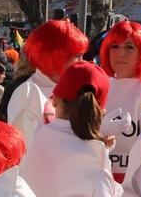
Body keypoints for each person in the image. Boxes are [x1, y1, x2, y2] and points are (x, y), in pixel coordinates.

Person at [19, 61, 122, 197]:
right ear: (101, 109)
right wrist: (115, 193)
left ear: (55, 100)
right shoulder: (96, 159)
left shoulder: (30, 139)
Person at [6, 20, 88, 148]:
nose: (82, 63)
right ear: (56, 55)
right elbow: (24, 151)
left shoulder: (79, 89)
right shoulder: (28, 93)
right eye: (77, 56)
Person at [99, 20, 141, 183]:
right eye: (115, 47)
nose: (120, 53)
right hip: (102, 182)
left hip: (140, 186)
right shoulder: (100, 87)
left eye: (129, 47)